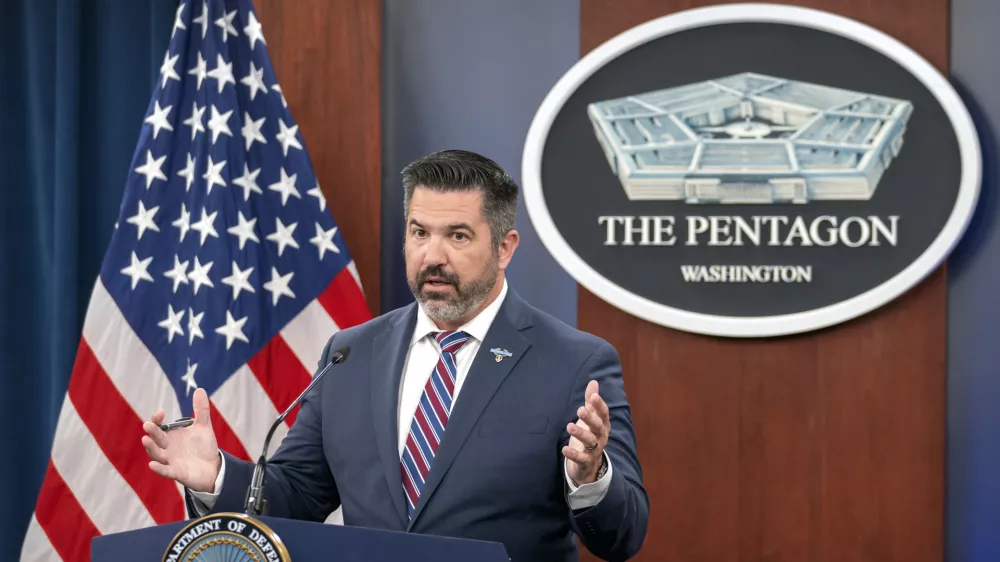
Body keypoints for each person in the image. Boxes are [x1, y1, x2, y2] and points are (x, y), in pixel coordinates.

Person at [141, 149, 649, 562]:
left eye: (458, 236)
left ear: (504, 248)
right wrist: (216, 476)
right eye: (419, 233)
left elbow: (623, 537)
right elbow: (297, 496)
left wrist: (590, 477)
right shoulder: (350, 354)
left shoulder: (574, 364)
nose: (433, 256)